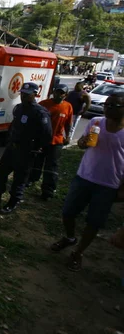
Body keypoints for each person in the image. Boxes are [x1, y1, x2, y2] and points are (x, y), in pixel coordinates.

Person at [50, 93, 124, 271]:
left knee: (94, 222)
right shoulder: (96, 122)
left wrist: (122, 189)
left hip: (109, 184)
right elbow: (84, 145)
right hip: (84, 176)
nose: (108, 108)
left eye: (114, 105)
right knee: (68, 212)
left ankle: (78, 252)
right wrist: (83, 141)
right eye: (107, 104)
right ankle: (69, 237)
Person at [0, 82, 52, 214]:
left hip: (26, 152)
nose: (23, 97)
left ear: (34, 94)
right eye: (22, 94)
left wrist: (36, 148)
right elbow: (14, 126)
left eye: (27, 94)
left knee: (19, 179)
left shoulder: (40, 112)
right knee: (0, 176)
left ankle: (12, 202)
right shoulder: (19, 108)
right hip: (12, 149)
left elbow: (47, 135)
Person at [28, 84, 73, 200]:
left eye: (61, 93)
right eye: (57, 92)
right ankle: (31, 180)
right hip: (42, 140)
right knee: (36, 161)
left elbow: (68, 123)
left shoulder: (68, 107)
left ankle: (48, 190)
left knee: (51, 166)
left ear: (65, 95)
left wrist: (68, 136)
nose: (58, 95)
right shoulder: (44, 104)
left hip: (56, 141)